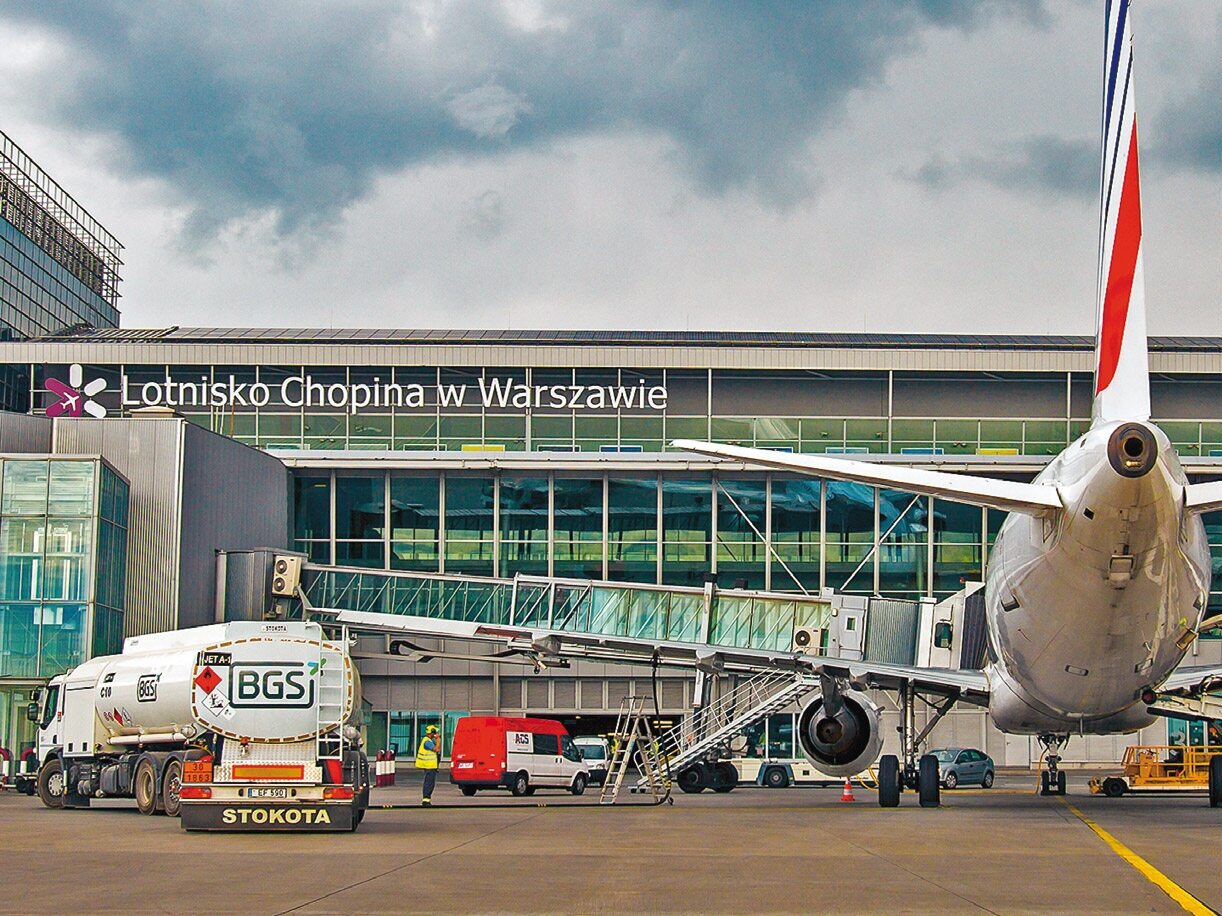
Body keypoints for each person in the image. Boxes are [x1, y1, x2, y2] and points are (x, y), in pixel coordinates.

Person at [416, 725, 440, 806]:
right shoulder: (427, 742)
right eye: (435, 733)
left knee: (430, 783)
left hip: (431, 766)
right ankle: (426, 800)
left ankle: (427, 799)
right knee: (429, 783)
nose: (436, 734)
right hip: (429, 766)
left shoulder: (428, 741)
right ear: (431, 733)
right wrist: (438, 740)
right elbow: (436, 749)